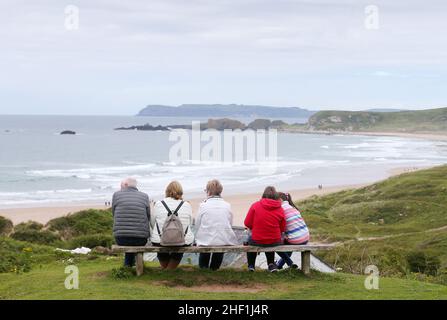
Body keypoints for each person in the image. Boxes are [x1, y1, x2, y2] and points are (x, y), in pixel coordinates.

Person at [195, 179, 238, 271]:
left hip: (206, 241)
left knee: (205, 243)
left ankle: (203, 269)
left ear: (209, 192)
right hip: (223, 239)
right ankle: (214, 269)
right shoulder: (227, 205)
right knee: (220, 241)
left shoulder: (203, 205)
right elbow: (229, 223)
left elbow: (197, 225)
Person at [150, 181, 194, 270]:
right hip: (182, 240)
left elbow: (152, 223)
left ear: (167, 191)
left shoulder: (158, 204)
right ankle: (169, 270)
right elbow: (190, 223)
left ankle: (167, 270)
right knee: (180, 245)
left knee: (160, 244)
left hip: (160, 240)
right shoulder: (186, 205)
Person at [244, 186, 287, 272]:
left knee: (250, 240)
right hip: (275, 240)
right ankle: (271, 265)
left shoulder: (255, 206)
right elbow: (282, 228)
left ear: (263, 195)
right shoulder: (280, 209)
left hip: (257, 239)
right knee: (270, 239)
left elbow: (247, 223)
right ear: (275, 196)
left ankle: (251, 265)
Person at [112, 177, 151, 267]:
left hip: (121, 238)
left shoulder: (116, 195)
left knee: (128, 238)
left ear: (126, 185)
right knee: (134, 238)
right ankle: (131, 265)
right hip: (141, 239)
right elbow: (148, 216)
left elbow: (114, 214)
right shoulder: (144, 196)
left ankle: (128, 266)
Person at [275, 192, 310, 269]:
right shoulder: (293, 207)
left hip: (296, 239)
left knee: (275, 243)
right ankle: (279, 265)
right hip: (306, 237)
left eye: (275, 200)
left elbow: (280, 227)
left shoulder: (280, 209)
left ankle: (288, 263)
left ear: (280, 200)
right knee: (288, 240)